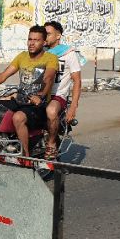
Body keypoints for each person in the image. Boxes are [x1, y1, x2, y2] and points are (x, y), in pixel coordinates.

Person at [0, 25, 59, 156]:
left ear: (44, 42)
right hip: (20, 100)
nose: (32, 43)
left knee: (18, 117)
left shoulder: (50, 58)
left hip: (37, 105)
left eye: (36, 40)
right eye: (30, 39)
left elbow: (48, 78)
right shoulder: (22, 56)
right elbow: (3, 76)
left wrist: (40, 95)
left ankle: (25, 155)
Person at [43, 21, 81, 161]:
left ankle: (52, 143)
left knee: (51, 111)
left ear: (58, 36)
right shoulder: (41, 51)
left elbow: (77, 81)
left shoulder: (68, 54)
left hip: (57, 96)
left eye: (48, 34)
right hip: (40, 93)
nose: (45, 36)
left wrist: (73, 107)